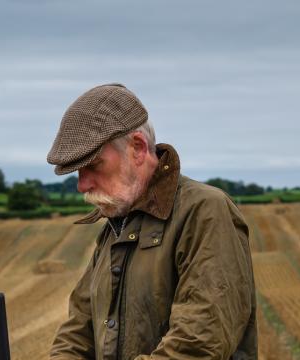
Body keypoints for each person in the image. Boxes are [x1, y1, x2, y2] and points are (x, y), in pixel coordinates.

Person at [47, 83, 256, 359]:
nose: (82, 185)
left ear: (137, 147)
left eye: (94, 166)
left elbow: (198, 342)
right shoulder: (115, 224)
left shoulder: (205, 211)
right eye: (77, 172)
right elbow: (77, 331)